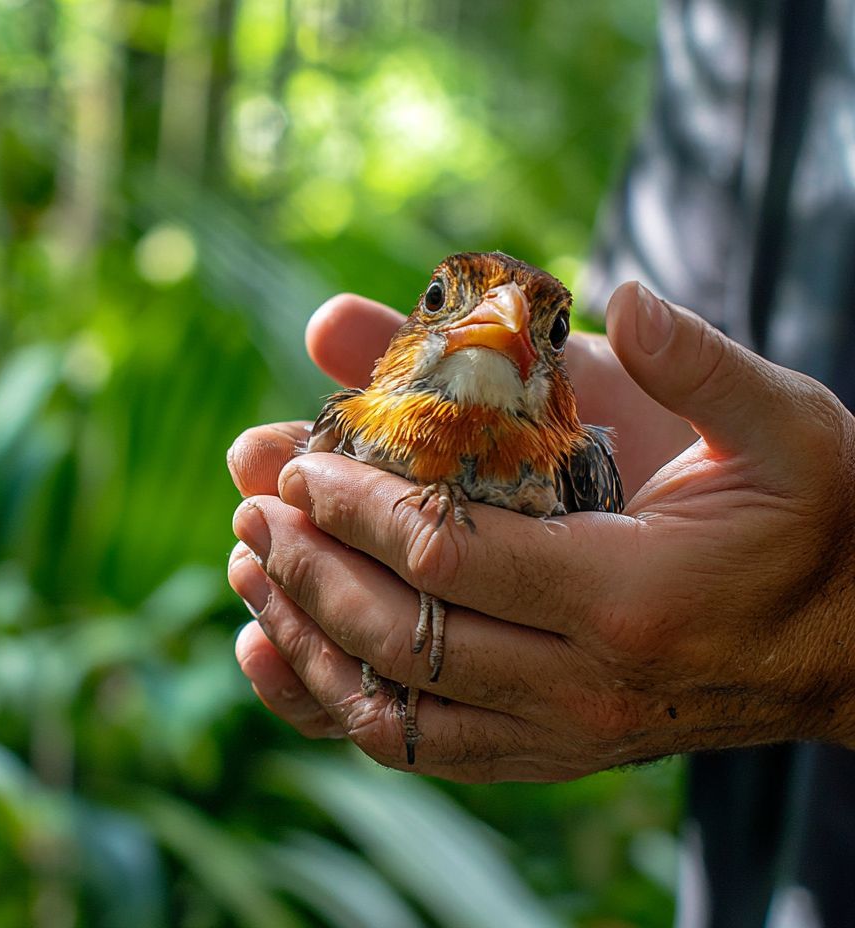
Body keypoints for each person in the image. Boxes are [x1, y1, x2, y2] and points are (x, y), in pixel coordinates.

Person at [226, 1, 855, 925]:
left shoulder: (571, 464)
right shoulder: (348, 428)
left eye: (548, 329)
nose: (505, 324)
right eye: (449, 298)